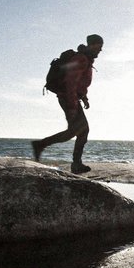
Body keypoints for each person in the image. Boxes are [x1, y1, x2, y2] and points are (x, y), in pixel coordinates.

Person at [32, 34, 103, 174]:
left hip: (72, 98)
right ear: (91, 45)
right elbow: (70, 82)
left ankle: (41, 145)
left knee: (74, 131)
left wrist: (84, 98)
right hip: (68, 98)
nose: (100, 50)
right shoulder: (81, 59)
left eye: (101, 47)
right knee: (82, 130)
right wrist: (72, 106)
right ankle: (75, 164)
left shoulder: (86, 59)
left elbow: (79, 83)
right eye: (98, 46)